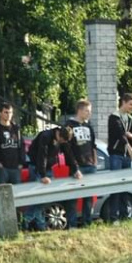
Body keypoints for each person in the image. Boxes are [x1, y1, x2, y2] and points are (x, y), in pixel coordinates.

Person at [26, 125, 80, 231]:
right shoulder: (46, 136)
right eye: (62, 141)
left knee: (46, 198)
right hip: (37, 167)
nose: (62, 143)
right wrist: (42, 175)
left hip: (48, 168)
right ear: (59, 135)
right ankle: (27, 219)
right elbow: (42, 156)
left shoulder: (62, 140)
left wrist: (75, 169)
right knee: (38, 198)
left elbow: (68, 154)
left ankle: (38, 223)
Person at [65, 99, 97, 228]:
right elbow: (67, 149)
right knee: (73, 197)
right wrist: (75, 168)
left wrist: (94, 162)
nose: (89, 114)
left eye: (90, 111)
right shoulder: (69, 125)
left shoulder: (89, 126)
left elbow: (93, 145)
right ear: (79, 110)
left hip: (90, 165)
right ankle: (72, 225)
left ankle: (87, 223)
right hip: (77, 166)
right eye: (87, 111)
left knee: (88, 197)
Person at [107, 93, 132, 223]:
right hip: (116, 155)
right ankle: (114, 216)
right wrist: (129, 147)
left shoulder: (130, 118)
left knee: (125, 186)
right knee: (116, 186)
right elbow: (119, 134)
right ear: (123, 102)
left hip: (126, 157)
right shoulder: (114, 117)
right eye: (130, 104)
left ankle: (125, 216)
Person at [0, 102, 25, 186]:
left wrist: (21, 163)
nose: (8, 115)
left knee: (17, 192)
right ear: (0, 113)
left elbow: (22, 146)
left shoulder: (16, 129)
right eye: (6, 112)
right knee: (2, 193)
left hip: (15, 168)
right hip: (2, 168)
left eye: (10, 112)